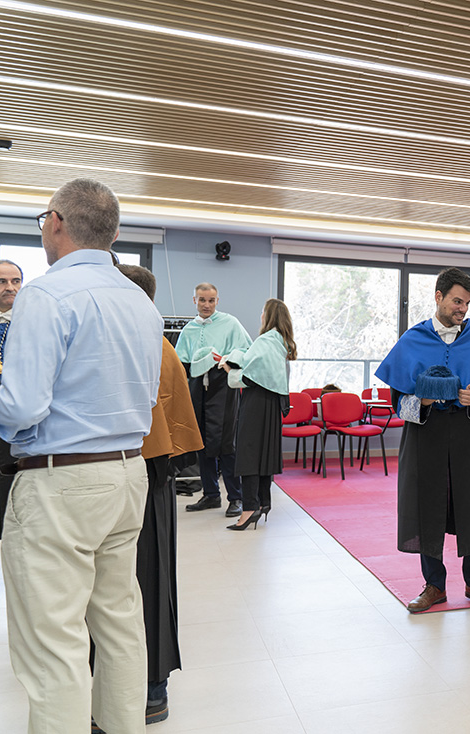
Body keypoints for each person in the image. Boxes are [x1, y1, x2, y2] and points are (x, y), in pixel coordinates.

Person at [0, 178, 163, 734]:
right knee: (119, 625)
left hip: (61, 482)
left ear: (57, 223)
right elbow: (144, 396)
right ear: (112, 234)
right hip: (127, 473)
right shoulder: (139, 300)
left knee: (53, 643)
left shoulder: (46, 295)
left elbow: (22, 406)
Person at [374, 267, 470, 613]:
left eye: (466, 303)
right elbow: (397, 401)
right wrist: (421, 401)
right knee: (427, 502)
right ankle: (434, 584)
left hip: (468, 431)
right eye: (456, 301)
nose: (462, 309)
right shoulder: (413, 339)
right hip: (426, 432)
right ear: (439, 297)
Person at [117, 263, 203, 724]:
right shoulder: (151, 341)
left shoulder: (148, 343)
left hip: (146, 472)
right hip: (143, 470)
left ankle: (152, 687)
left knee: (145, 579)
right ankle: (142, 684)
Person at [174, 283, 252, 517]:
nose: (206, 305)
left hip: (223, 384)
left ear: (217, 301)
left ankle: (235, 497)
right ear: (194, 301)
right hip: (197, 386)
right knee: (202, 442)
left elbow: (246, 350)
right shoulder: (188, 329)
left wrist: (226, 359)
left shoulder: (231, 323)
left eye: (211, 300)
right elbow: (181, 362)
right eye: (202, 300)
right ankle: (211, 494)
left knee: (226, 443)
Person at [222, 298, 295, 530]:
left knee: (249, 454)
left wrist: (228, 368)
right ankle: (263, 502)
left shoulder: (264, 341)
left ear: (268, 316)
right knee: (264, 455)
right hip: (272, 405)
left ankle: (249, 508)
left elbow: (248, 376)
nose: (260, 316)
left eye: (263, 312)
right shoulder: (281, 342)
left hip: (255, 404)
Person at [0, 258, 23, 539]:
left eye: (15, 281)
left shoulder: (33, 324)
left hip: (17, 423)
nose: (10, 287)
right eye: (2, 281)